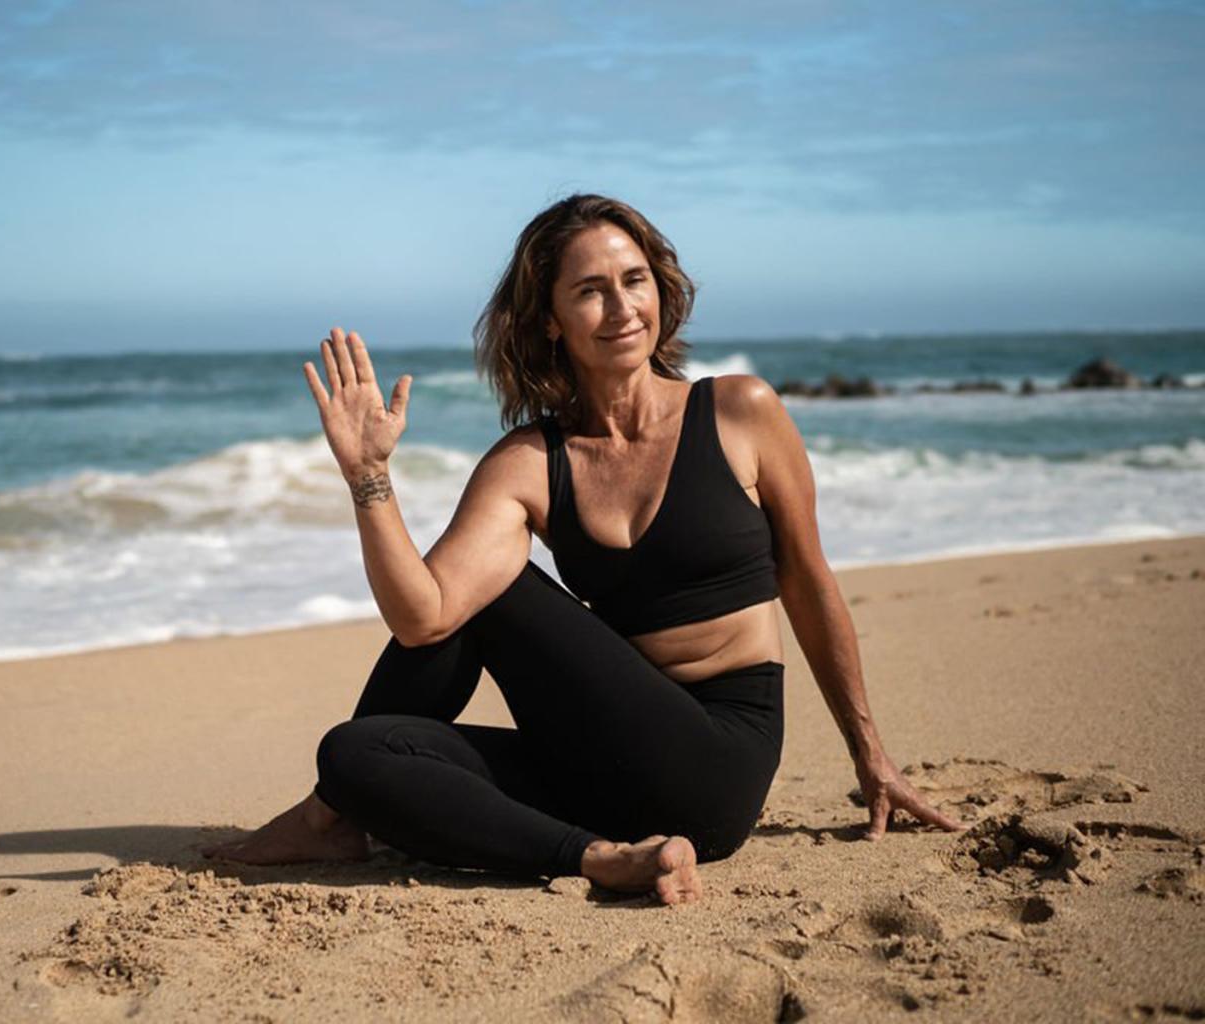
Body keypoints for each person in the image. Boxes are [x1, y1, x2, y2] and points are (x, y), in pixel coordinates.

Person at [203, 194, 961, 905]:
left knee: (491, 592)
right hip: (599, 767)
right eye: (591, 290)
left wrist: (872, 757)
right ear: (550, 322)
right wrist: (369, 477)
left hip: (714, 762)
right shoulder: (533, 461)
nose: (623, 307)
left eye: (635, 280)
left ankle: (327, 821)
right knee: (358, 754)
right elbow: (422, 620)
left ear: (662, 289)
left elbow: (806, 578)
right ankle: (599, 856)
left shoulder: (739, 412)